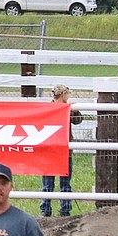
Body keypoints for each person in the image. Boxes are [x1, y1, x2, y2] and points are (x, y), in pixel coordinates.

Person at [42, 84, 82, 217]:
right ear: (64, 94)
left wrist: (74, 111)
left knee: (49, 182)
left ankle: (48, 209)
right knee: (64, 183)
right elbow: (78, 121)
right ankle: (63, 210)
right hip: (62, 150)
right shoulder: (64, 109)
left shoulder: (48, 109)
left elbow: (77, 120)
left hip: (49, 150)